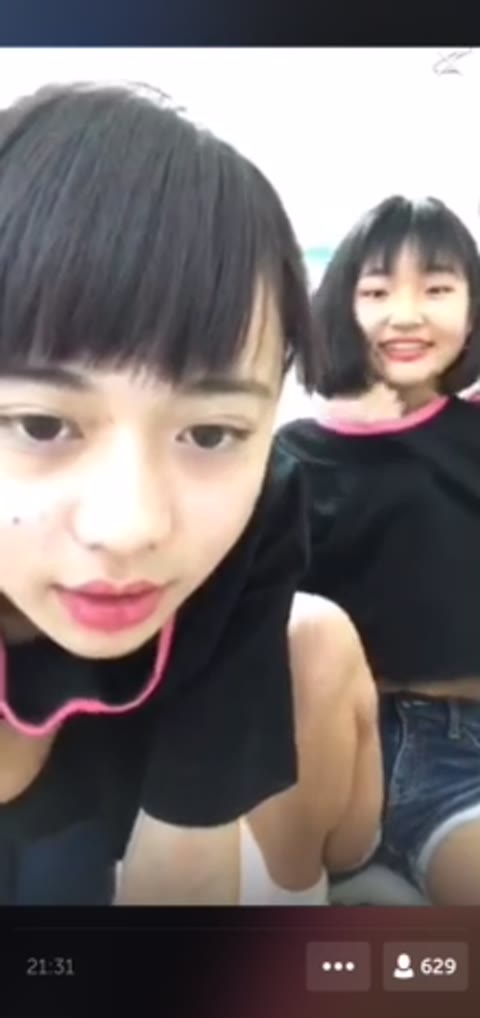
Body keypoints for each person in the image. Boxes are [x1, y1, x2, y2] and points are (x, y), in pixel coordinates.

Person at [0, 81, 381, 905]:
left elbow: (188, 838)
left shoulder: (260, 512)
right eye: (39, 423)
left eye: (209, 433)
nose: (130, 525)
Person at [279, 195, 480, 904]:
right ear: (341, 306)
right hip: (406, 748)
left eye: (437, 289)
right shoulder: (297, 458)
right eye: (376, 292)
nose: (406, 314)